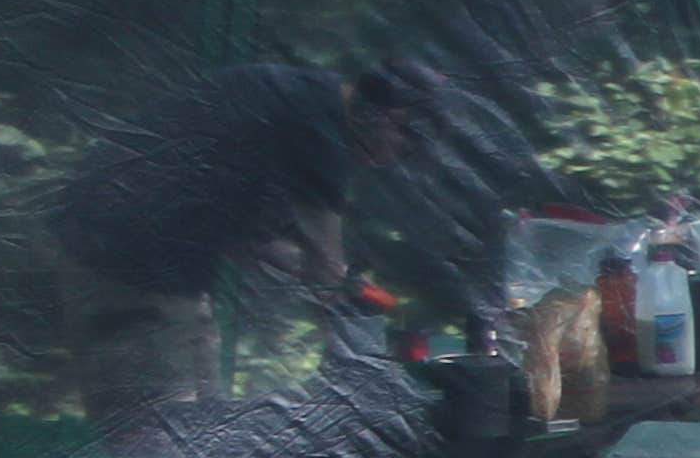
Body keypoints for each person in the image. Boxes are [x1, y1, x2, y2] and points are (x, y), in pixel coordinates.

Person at [54, 60, 433, 432]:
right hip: (124, 264)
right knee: (155, 435)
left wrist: (345, 285)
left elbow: (255, 242)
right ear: (389, 117)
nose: (391, 161)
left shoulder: (302, 103)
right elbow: (325, 269)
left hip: (168, 273)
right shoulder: (320, 130)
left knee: (198, 432)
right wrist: (360, 338)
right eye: (406, 146)